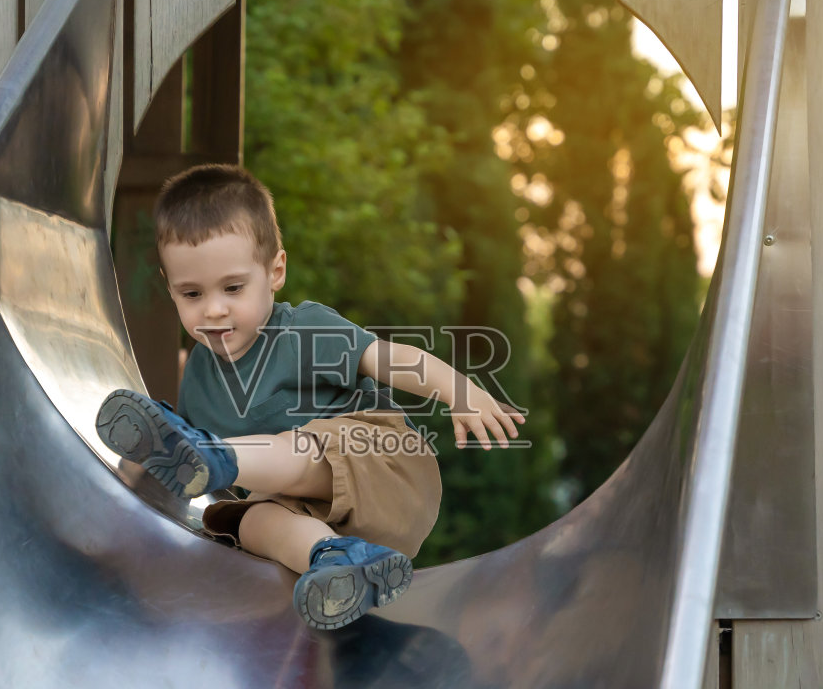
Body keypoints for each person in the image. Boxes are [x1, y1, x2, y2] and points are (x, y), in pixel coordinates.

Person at [96, 164, 523, 629]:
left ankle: (219, 456)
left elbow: (387, 358)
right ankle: (336, 561)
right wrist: (125, 476)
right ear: (169, 288)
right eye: (191, 293)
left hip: (385, 468)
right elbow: (166, 471)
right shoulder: (199, 376)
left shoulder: (300, 331)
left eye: (233, 288)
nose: (213, 309)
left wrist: (456, 390)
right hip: (334, 520)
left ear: (275, 271)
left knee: (293, 450)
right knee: (246, 520)